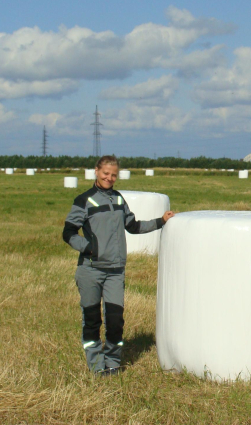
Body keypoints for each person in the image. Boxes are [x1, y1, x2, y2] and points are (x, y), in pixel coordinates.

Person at [62, 155, 174, 376]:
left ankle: (112, 363)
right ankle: (96, 366)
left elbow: (133, 226)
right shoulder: (84, 200)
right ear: (96, 171)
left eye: (113, 175)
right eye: (105, 173)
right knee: (92, 320)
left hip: (115, 271)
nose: (109, 178)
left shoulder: (120, 200)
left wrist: (160, 221)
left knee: (115, 321)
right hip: (90, 270)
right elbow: (68, 232)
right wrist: (88, 247)